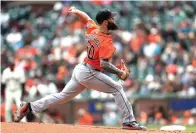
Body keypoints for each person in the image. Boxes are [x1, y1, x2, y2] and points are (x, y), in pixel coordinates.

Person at [14, 7, 146, 130]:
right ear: (105, 22)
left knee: (62, 97)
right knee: (117, 88)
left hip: (81, 69)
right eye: (111, 18)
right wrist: (120, 72)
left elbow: (86, 18)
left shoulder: (93, 30)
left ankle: (29, 106)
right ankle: (129, 121)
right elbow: (104, 64)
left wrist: (77, 11)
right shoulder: (106, 41)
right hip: (90, 72)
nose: (114, 20)